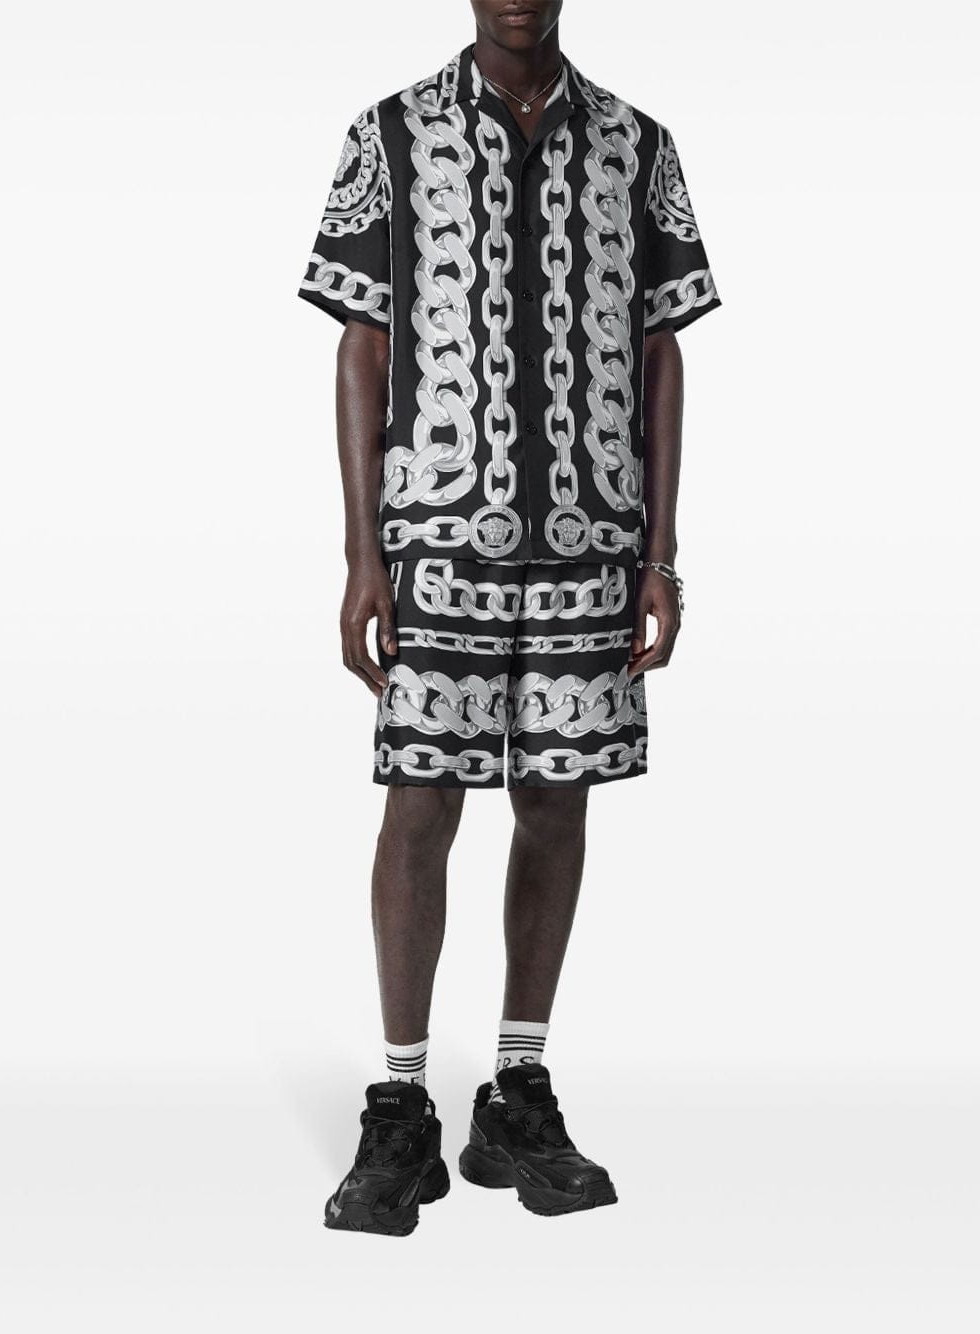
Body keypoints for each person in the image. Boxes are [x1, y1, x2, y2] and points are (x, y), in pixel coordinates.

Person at [298, 0, 719, 1235]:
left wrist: (660, 553)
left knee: (556, 797)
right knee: (420, 798)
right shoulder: (389, 132)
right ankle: (400, 1103)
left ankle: (516, 1092)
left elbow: (661, 351)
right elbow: (361, 345)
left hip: (593, 541)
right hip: (437, 541)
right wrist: (362, 552)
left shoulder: (638, 144)